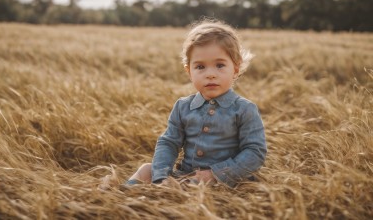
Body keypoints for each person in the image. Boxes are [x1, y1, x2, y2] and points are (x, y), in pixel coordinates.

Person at [100, 19, 267, 189]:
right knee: (146, 170)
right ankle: (122, 196)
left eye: (220, 65)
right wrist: (161, 176)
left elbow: (255, 152)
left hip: (225, 181)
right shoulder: (183, 107)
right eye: (200, 67)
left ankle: (156, 194)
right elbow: (169, 142)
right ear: (189, 72)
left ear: (236, 69)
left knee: (191, 187)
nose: (210, 74)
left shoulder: (245, 109)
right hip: (186, 176)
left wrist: (215, 174)